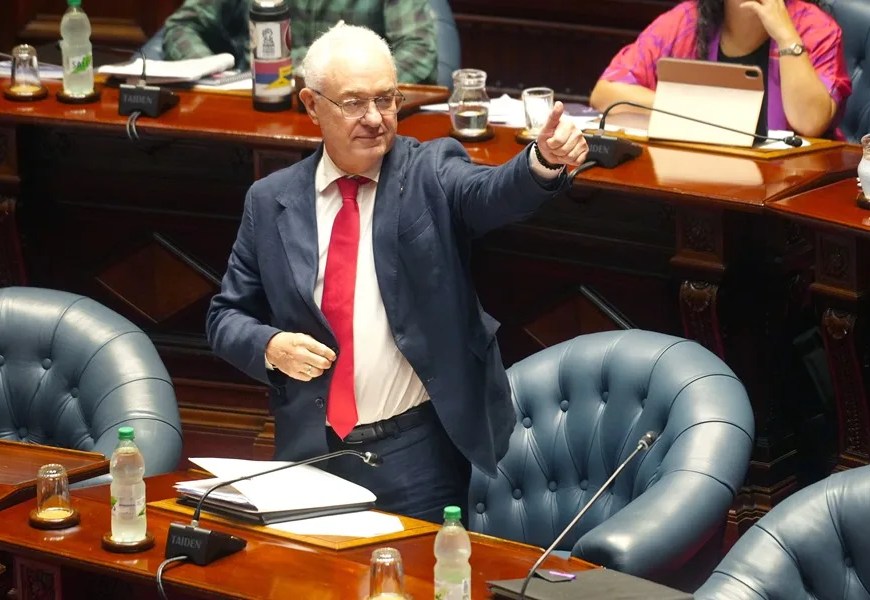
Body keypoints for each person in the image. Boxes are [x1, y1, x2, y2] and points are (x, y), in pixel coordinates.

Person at [206, 23, 588, 522]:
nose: (375, 119)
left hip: (414, 456)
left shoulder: (429, 171)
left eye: (386, 100)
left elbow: (491, 193)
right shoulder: (270, 200)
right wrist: (270, 347)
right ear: (311, 104)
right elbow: (225, 316)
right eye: (353, 103)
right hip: (309, 451)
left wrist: (541, 162)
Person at [589, 0, 851, 138]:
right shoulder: (686, 21)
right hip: (700, 177)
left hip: (790, 192)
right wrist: (697, 108)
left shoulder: (817, 29)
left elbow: (810, 123)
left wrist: (786, 37)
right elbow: (605, 94)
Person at [161, 0, 438, 84]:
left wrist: (347, 86)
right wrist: (213, 75)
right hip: (256, 100)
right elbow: (183, 26)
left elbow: (418, 50)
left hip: (351, 108)